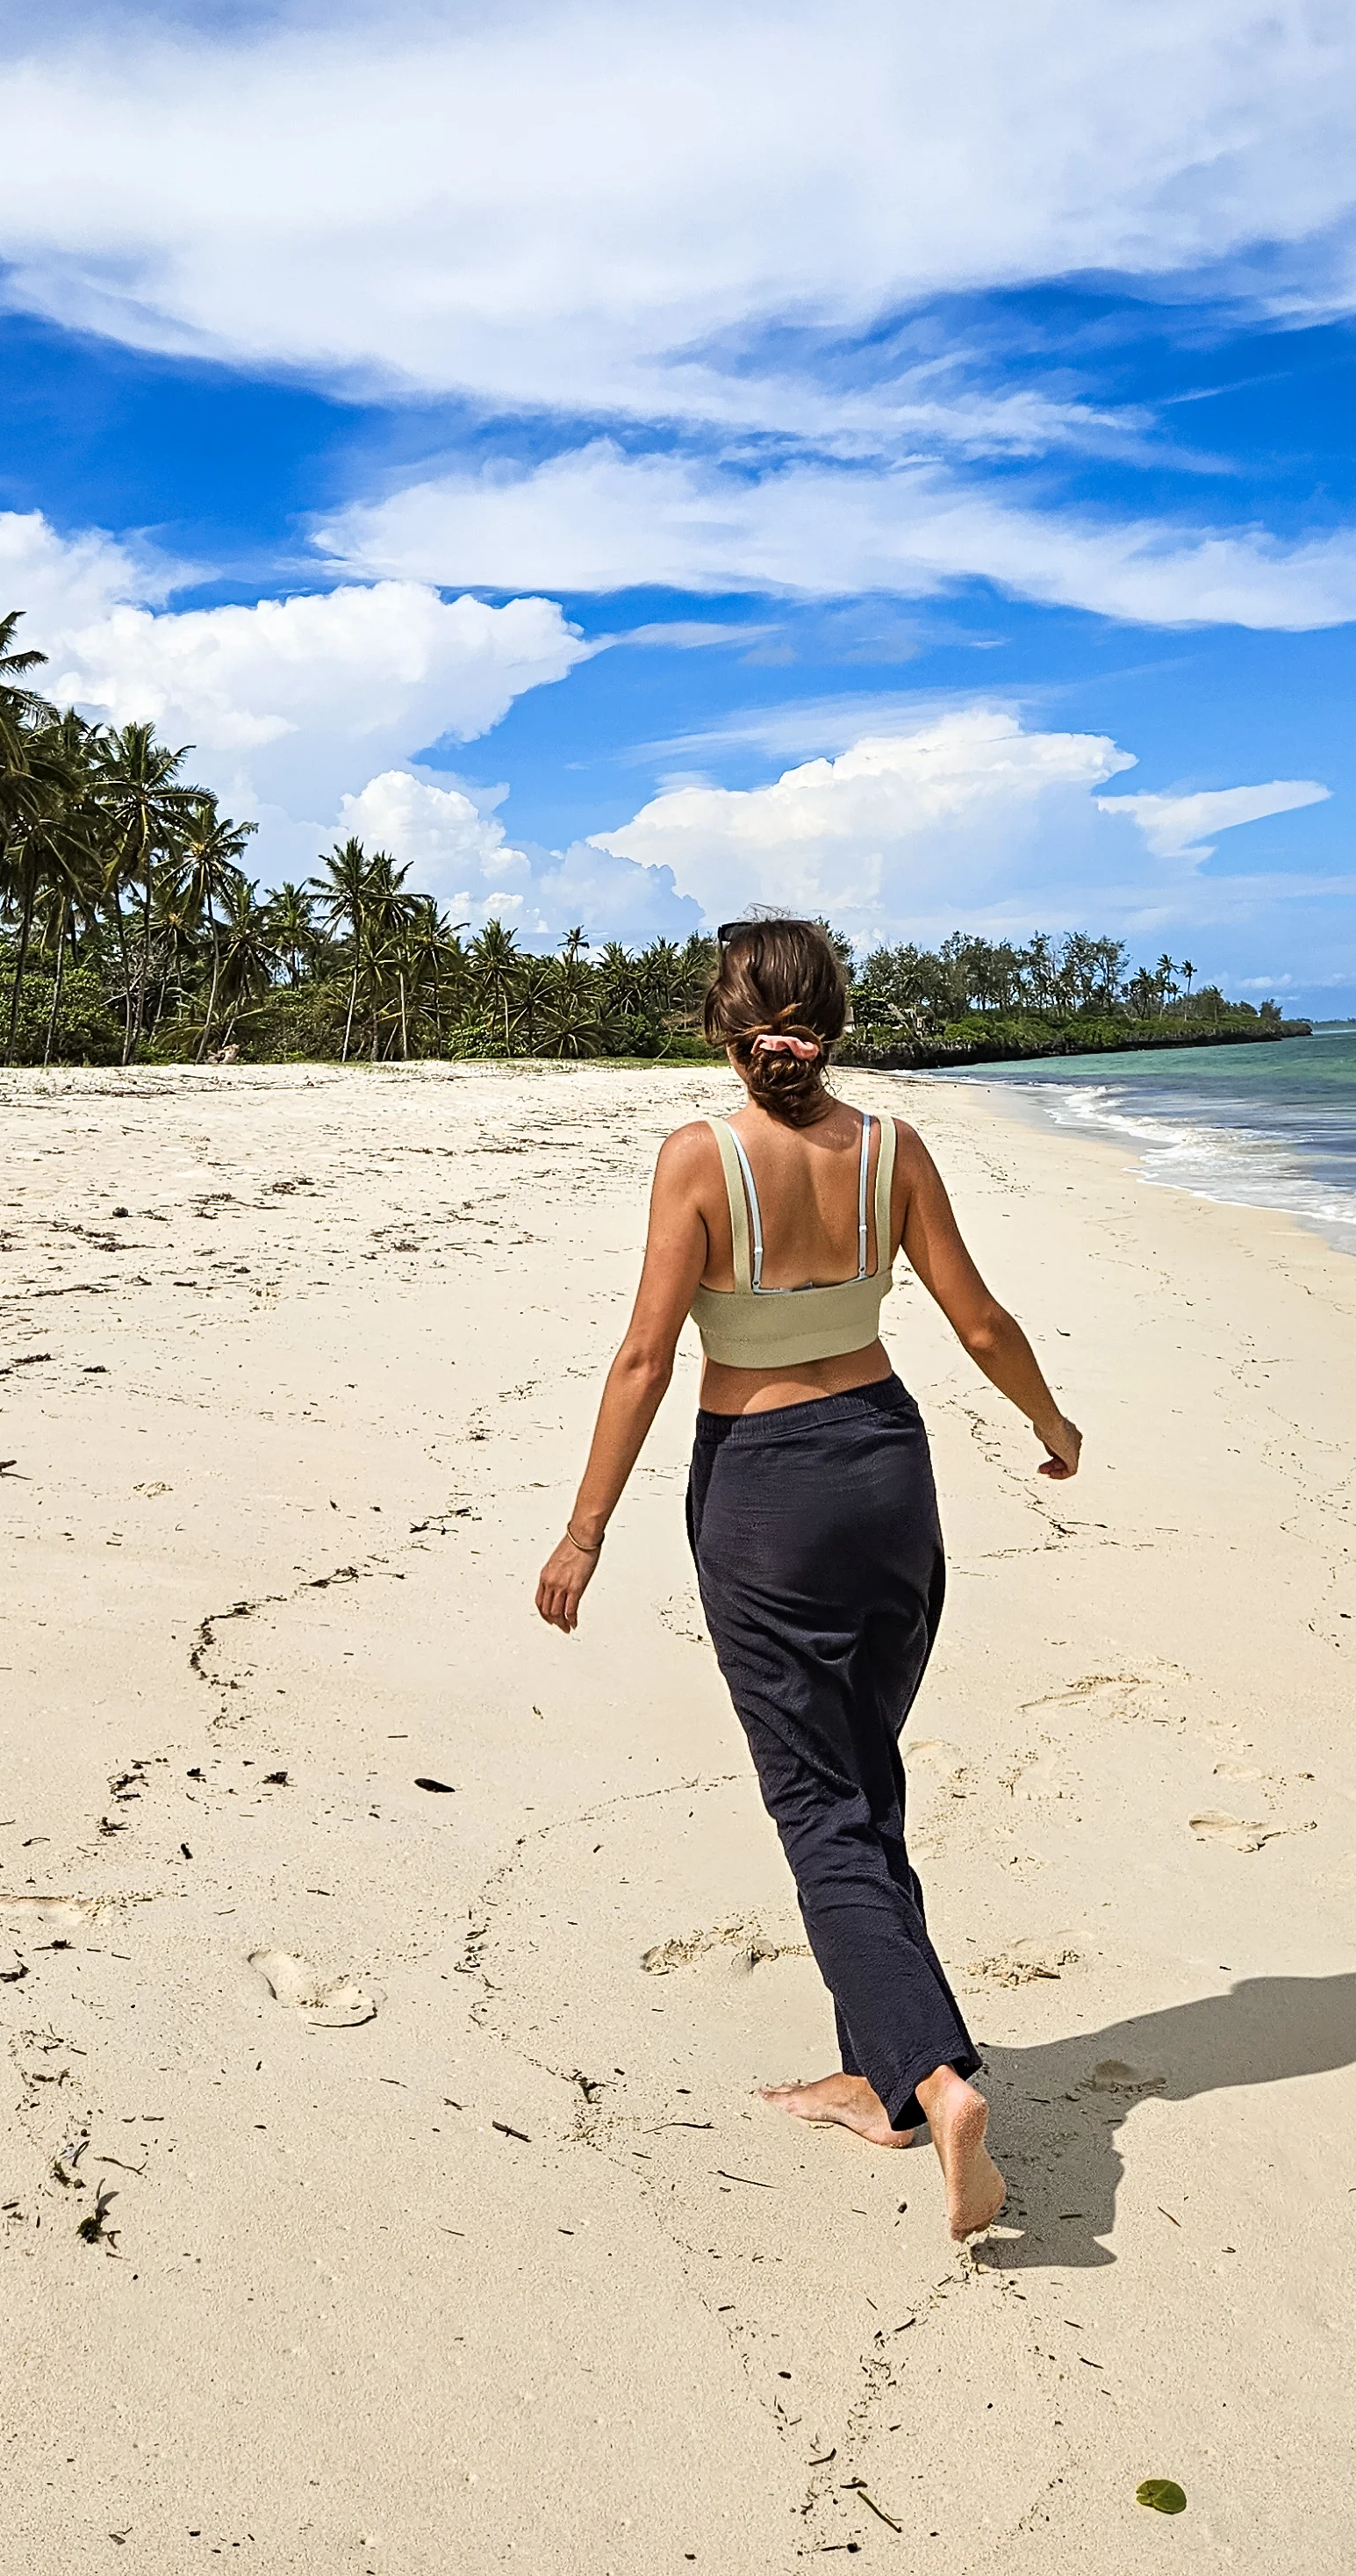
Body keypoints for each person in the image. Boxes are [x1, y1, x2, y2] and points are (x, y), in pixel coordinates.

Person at [535, 915, 1084, 2242]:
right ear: (836, 1022)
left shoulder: (699, 1158)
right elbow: (981, 1319)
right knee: (863, 1765)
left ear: (726, 1030)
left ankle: (937, 2080)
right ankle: (885, 2080)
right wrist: (1048, 1424)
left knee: (815, 1799)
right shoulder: (893, 1149)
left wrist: (585, 1529)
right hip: (890, 1475)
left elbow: (644, 1360)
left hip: (764, 1488)